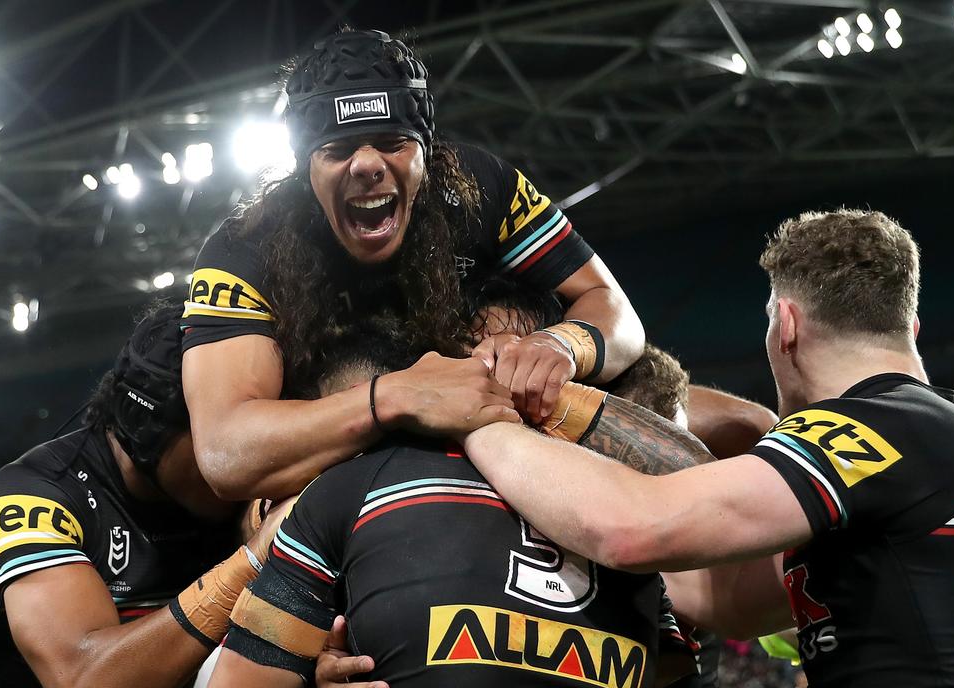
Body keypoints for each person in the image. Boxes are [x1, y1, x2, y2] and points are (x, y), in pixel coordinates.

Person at [457, 209, 954, 688]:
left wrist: (478, 414)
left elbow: (633, 527)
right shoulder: (943, 441)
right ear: (912, 328)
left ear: (785, 326)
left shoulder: (879, 429)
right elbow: (732, 602)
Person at [181, 28, 646, 503]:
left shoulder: (483, 186)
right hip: (332, 466)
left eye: (391, 142)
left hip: (481, 419)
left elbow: (617, 312)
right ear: (306, 170)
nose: (366, 164)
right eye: (338, 150)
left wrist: (561, 344)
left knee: (685, 407)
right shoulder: (244, 248)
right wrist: (398, 397)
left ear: (426, 151)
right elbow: (225, 452)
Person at [196, 315, 701, 688]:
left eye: (522, 353)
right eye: (486, 354)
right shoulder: (347, 495)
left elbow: (694, 491)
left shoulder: (620, 525)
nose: (503, 367)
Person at [0, 303, 289, 688]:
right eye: (221, 430)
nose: (246, 453)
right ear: (145, 423)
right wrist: (251, 561)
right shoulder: (30, 499)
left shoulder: (227, 499)